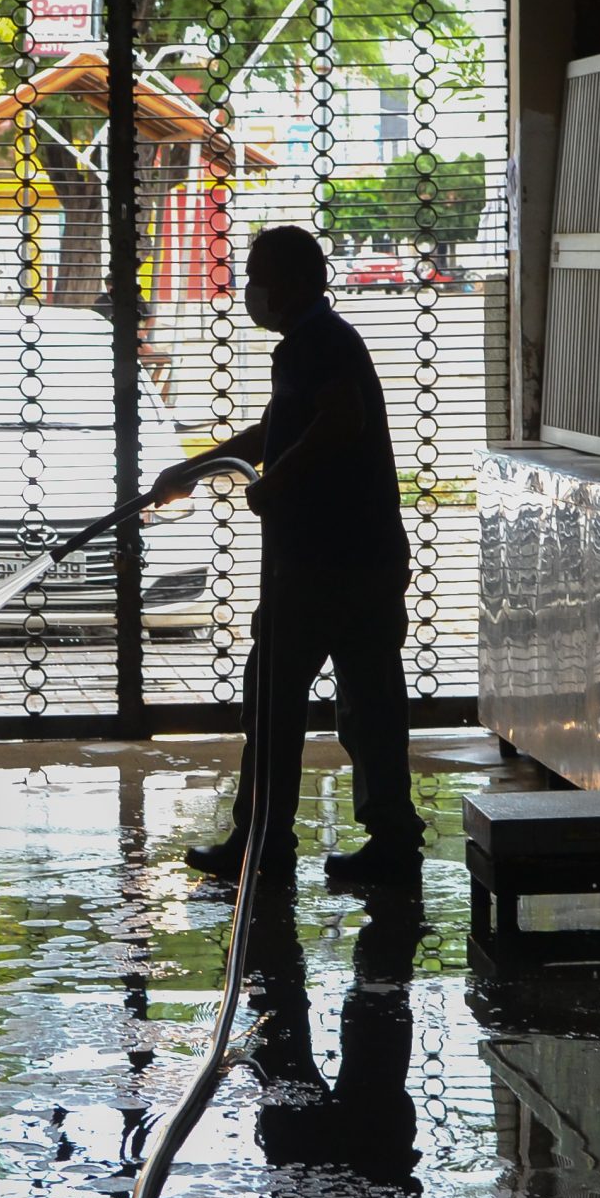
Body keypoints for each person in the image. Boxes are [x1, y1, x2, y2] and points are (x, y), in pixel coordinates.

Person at [152, 224, 425, 884]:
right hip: (347, 562)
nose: (250, 290)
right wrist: (201, 466)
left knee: (301, 704)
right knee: (345, 703)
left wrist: (279, 481)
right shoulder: (313, 342)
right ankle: (333, 841)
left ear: (295, 282)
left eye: (258, 277)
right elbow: (282, 430)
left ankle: (272, 845)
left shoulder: (320, 345)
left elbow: (340, 420)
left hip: (332, 566)